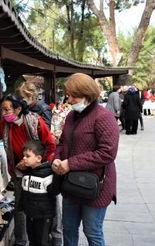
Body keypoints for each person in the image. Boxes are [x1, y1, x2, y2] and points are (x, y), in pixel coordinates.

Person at [0, 94, 56, 246]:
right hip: (19, 174)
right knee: (20, 207)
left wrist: (35, 164)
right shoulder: (4, 126)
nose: (3, 114)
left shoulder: (35, 122)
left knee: (46, 208)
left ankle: (54, 238)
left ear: (18, 109)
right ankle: (20, 241)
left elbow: (51, 146)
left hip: (40, 174)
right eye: (2, 110)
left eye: (7, 110)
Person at [51, 73, 119, 246]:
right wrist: (57, 159)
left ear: (87, 94)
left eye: (74, 95)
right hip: (71, 185)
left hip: (95, 187)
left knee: (92, 232)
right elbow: (62, 143)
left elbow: (107, 153)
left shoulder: (103, 117)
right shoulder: (71, 117)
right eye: (68, 94)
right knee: (69, 229)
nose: (70, 99)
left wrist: (70, 163)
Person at [17, 81, 62, 245]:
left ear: (30, 96)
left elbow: (47, 138)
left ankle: (56, 236)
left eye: (24, 97)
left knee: (51, 202)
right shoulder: (27, 110)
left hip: (40, 160)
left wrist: (42, 161)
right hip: (32, 159)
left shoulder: (42, 109)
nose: (22, 100)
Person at [19, 139, 60, 246]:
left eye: (27, 156)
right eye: (24, 155)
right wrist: (21, 207)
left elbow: (54, 191)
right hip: (30, 214)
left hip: (43, 217)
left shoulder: (47, 175)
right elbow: (24, 193)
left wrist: (58, 175)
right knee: (32, 239)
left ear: (38, 158)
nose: (24, 158)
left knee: (42, 241)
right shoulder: (27, 173)